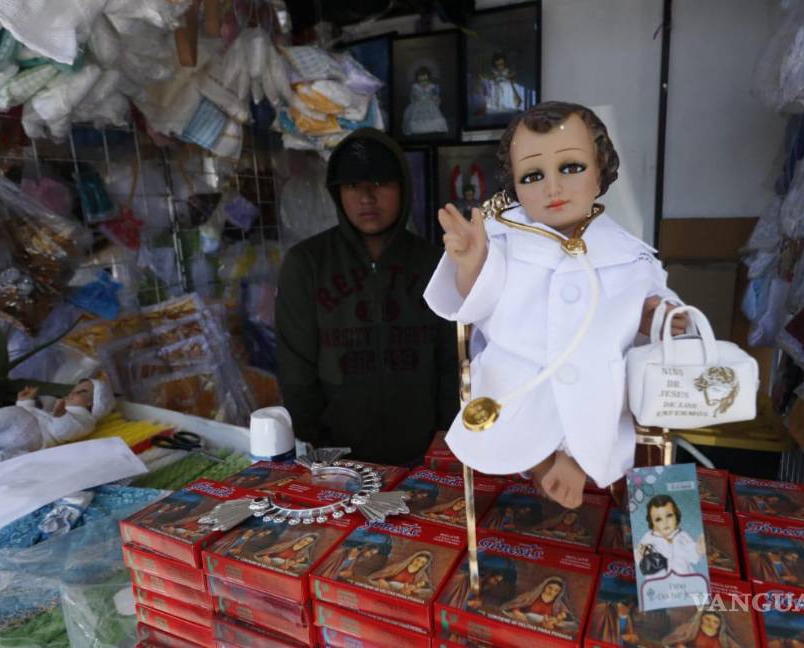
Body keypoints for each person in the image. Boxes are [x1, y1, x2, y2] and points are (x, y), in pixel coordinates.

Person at [425, 102, 684, 508]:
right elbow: (477, 300)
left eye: (571, 167)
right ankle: (544, 460)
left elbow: (652, 302)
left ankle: (579, 461)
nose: (553, 188)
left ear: (600, 170)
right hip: (517, 383)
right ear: (514, 185)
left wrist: (661, 316)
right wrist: (473, 264)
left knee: (607, 412)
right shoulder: (504, 240)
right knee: (512, 423)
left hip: (601, 388)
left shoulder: (628, 253)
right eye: (533, 175)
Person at [277, 129, 459, 466]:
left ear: (403, 187)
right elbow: (294, 365)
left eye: (380, 183)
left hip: (422, 453)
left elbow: (452, 357)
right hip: (334, 455)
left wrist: (448, 427)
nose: (366, 197)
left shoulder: (435, 262)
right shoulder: (306, 263)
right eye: (352, 185)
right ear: (336, 192)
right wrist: (314, 437)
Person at [0, 378, 115, 468]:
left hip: (36, 435)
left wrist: (61, 416)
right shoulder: (66, 411)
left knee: (7, 415)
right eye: (73, 390)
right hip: (24, 433)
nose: (72, 392)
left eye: (82, 392)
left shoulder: (86, 419)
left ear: (93, 401)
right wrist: (25, 401)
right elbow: (34, 415)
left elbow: (65, 432)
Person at [636, 494, 702, 577]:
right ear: (652, 522)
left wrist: (699, 548)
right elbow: (640, 557)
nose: (665, 522)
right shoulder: (649, 538)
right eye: (658, 519)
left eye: (669, 515)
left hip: (685, 580)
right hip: (659, 583)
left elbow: (693, 555)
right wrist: (642, 554)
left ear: (676, 515)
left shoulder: (682, 535)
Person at [662, 610, 744, 648]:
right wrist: (679, 645)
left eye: (715, 622)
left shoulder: (724, 638)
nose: (710, 624)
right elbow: (672, 639)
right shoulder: (689, 628)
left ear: (720, 625)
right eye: (707, 619)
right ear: (701, 618)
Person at [403, 67, 448, 135]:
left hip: (430, 104)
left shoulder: (433, 86)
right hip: (417, 105)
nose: (423, 83)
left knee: (437, 119)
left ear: (428, 79)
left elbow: (436, 97)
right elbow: (412, 97)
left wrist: (435, 99)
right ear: (417, 79)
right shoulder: (414, 86)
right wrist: (414, 100)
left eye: (425, 80)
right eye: (420, 81)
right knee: (413, 121)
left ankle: (436, 127)